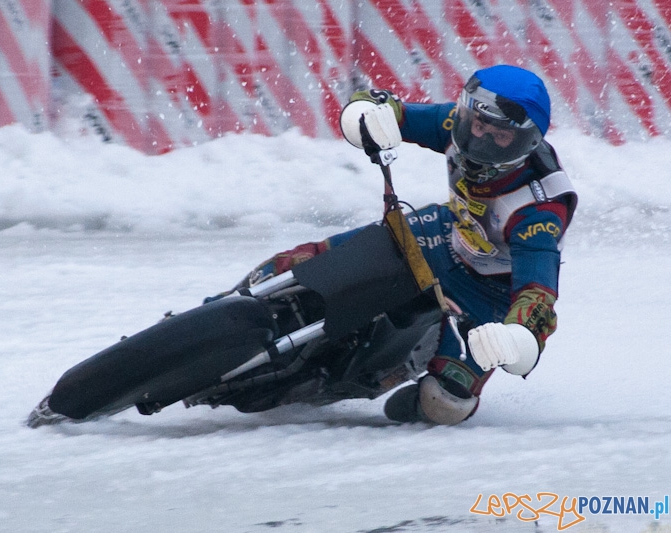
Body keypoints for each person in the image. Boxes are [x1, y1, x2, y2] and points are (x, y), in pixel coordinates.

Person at [227, 65, 578, 425]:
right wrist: (366, 114)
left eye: (499, 137)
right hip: (444, 237)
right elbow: (394, 111)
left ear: (526, 142)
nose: (479, 143)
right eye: (476, 126)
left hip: (491, 294)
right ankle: (228, 301)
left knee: (446, 403)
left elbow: (538, 294)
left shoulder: (538, 210)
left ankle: (386, 371)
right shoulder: (454, 124)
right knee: (306, 258)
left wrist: (517, 338)